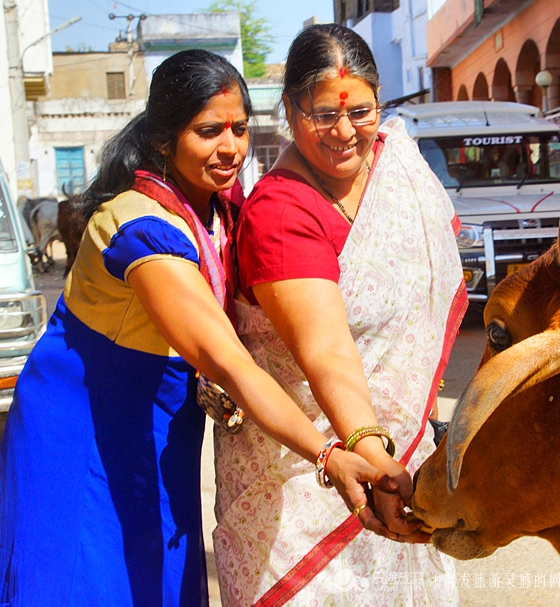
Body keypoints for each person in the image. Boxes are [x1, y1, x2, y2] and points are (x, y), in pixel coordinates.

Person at [0, 49, 391, 606]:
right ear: (165, 139)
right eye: (208, 131)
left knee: (158, 578)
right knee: (84, 583)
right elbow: (228, 361)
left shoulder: (218, 207)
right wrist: (329, 455)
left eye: (238, 128)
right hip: (80, 428)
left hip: (162, 426)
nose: (230, 147)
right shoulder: (140, 227)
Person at [212, 24, 466, 606]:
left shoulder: (398, 166)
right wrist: (373, 454)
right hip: (303, 483)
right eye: (323, 114)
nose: (345, 132)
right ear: (289, 109)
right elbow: (326, 348)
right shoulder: (281, 210)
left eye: (362, 111)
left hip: (397, 464)